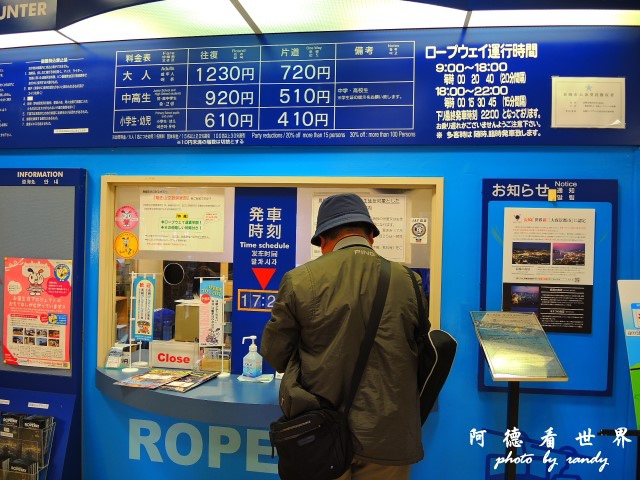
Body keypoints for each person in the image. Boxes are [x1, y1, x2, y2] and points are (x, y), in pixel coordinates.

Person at [261, 193, 430, 480]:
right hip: (388, 436)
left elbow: (275, 354)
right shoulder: (409, 281)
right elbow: (418, 349)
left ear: (323, 241)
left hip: (320, 435)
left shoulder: (300, 280)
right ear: (371, 236)